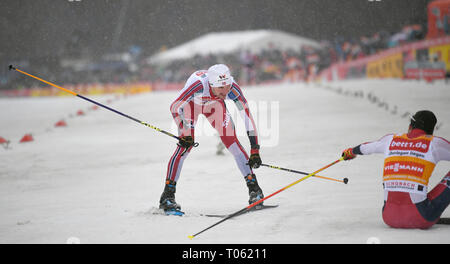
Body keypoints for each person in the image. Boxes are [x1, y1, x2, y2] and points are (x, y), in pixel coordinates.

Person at [159, 64, 263, 213]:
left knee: (231, 141)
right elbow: (175, 106)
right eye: (220, 88)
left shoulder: (232, 87)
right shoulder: (199, 85)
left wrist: (255, 149)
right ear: (211, 84)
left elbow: (246, 116)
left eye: (226, 86)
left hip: (214, 105)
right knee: (185, 147)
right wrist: (185, 132)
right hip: (191, 106)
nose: (225, 91)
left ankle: (255, 189)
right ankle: (167, 196)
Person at [341, 110, 450, 229]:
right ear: (431, 131)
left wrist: (350, 152)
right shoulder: (434, 143)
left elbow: (364, 148)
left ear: (410, 126)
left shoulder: (390, 139)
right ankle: (426, 211)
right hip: (422, 217)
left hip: (388, 217)